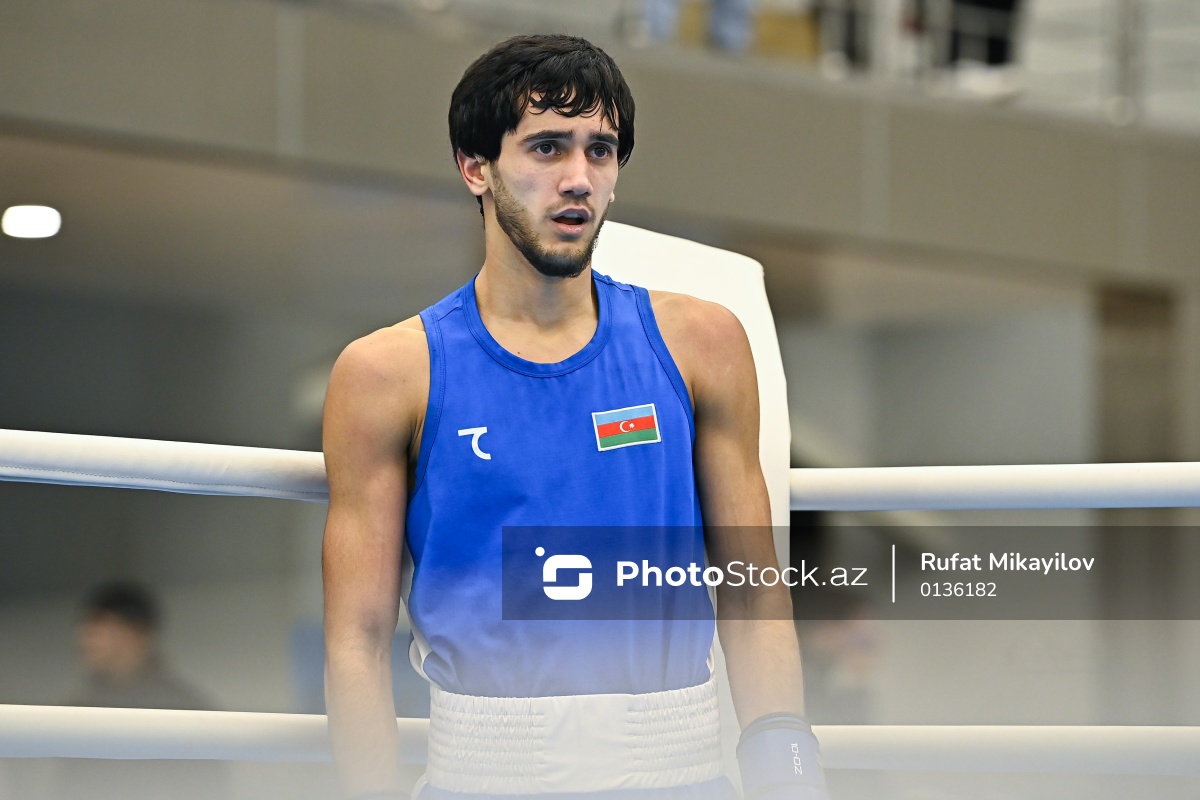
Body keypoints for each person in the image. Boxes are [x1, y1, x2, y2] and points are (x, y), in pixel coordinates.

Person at [321, 34, 829, 800]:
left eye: (601, 150)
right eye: (547, 147)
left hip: (681, 776)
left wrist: (790, 776)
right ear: (475, 167)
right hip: (480, 778)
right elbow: (357, 640)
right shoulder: (388, 374)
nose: (578, 179)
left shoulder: (702, 342)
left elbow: (753, 591)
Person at [58, 581, 229, 800]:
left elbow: (207, 787)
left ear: (137, 632)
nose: (86, 637)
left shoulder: (184, 708)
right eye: (85, 627)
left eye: (99, 625)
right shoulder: (79, 709)